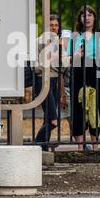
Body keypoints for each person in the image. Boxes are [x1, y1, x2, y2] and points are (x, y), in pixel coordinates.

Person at [68, 5, 100, 151]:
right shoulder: (75, 36)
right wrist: (76, 56)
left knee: (95, 108)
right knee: (78, 108)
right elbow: (68, 59)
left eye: (90, 14)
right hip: (78, 71)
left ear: (94, 17)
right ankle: (80, 147)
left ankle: (95, 145)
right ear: (80, 18)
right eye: (84, 15)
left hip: (95, 72)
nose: (87, 18)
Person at [33, 14, 68, 151]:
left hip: (55, 81)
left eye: (56, 25)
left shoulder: (59, 43)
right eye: (51, 25)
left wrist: (59, 51)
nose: (54, 28)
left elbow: (64, 65)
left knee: (48, 119)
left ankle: (43, 149)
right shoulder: (38, 41)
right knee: (54, 121)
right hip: (42, 80)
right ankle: (37, 144)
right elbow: (37, 66)